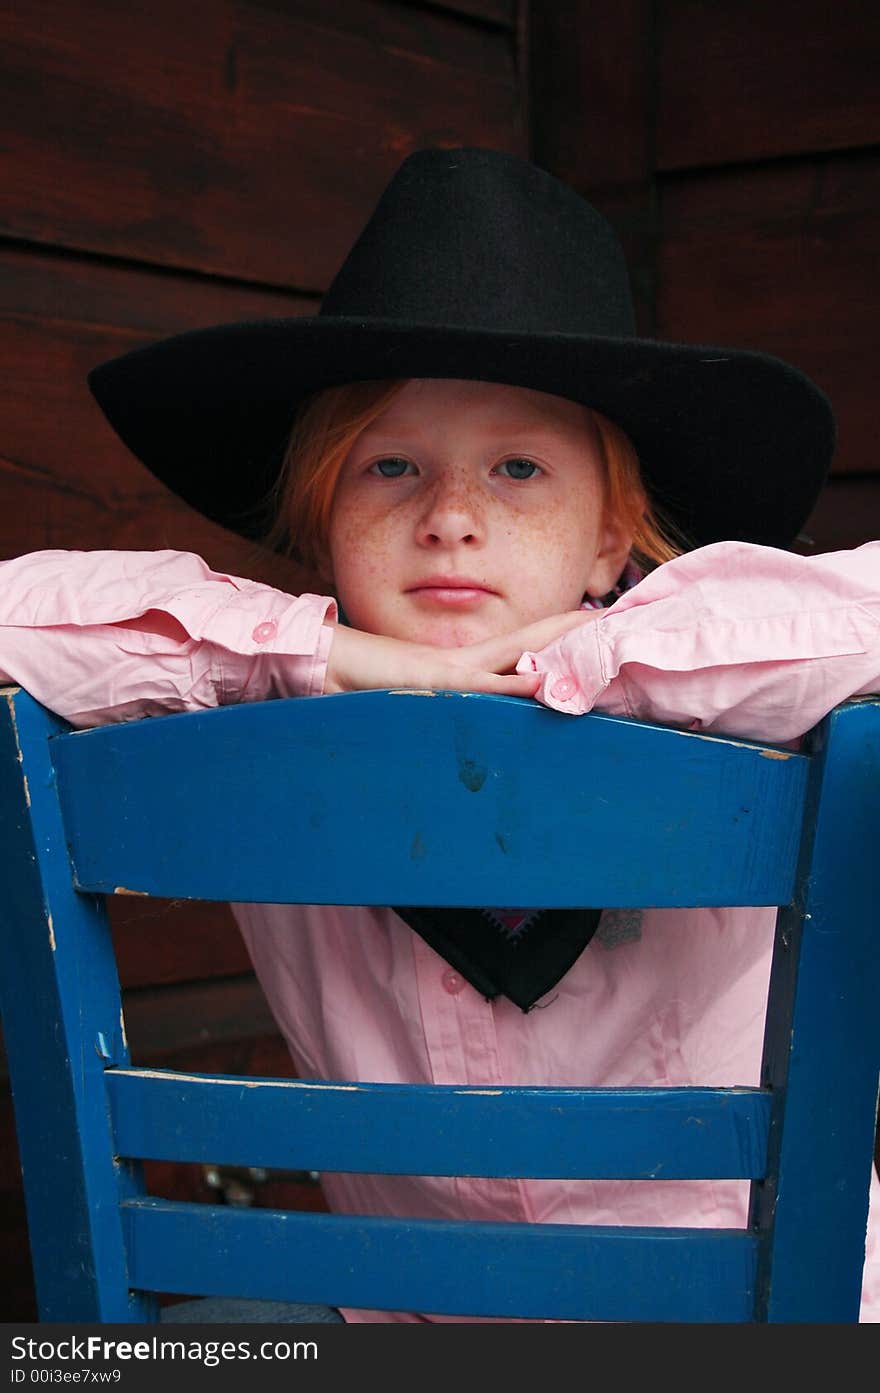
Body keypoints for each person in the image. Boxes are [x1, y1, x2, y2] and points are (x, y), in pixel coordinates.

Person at [1, 148, 879, 1322]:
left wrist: (579, 663)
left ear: (613, 539)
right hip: (403, 1328)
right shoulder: (259, 705)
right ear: (322, 525)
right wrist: (324, 654)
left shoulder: (740, 700)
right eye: (390, 466)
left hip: (751, 1326)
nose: (451, 519)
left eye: (517, 467)